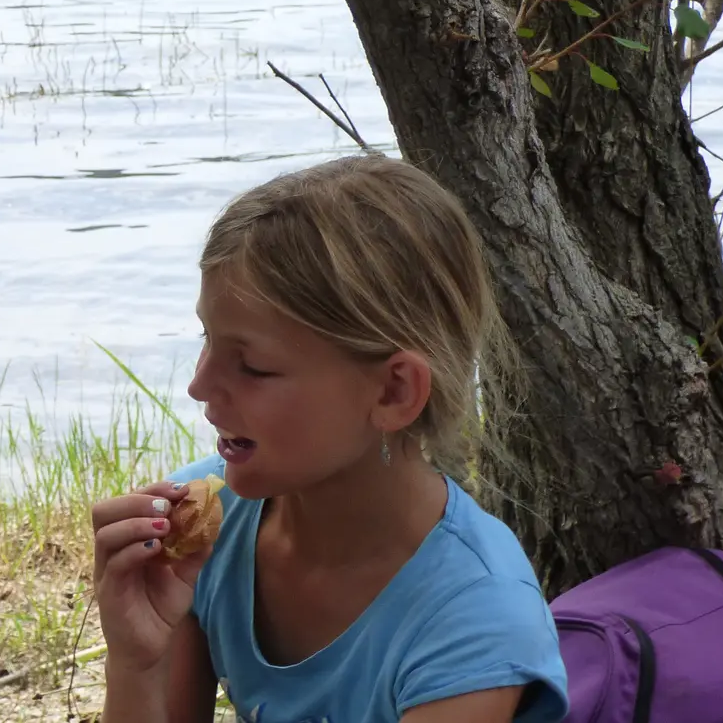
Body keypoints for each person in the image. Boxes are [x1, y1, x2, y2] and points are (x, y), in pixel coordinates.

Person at [91, 156, 568, 723]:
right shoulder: (208, 535)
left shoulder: (475, 620)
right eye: (207, 340)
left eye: (253, 366)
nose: (198, 386)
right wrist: (136, 661)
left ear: (393, 391)